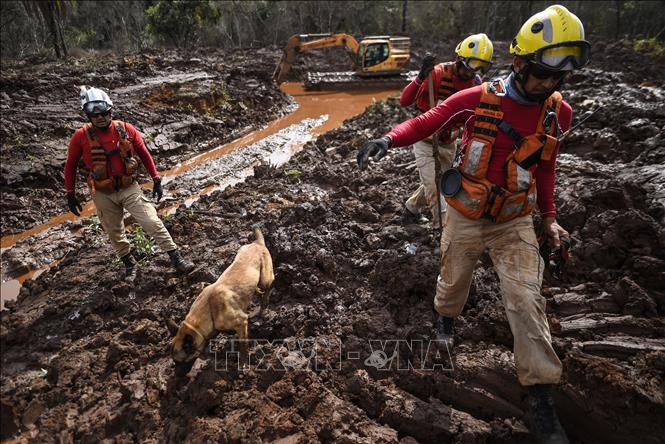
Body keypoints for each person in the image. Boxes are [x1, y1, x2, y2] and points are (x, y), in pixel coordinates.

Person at [357, 5, 590, 443]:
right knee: (452, 284)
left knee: (525, 300)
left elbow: (545, 168)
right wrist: (387, 138)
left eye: (559, 77)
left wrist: (550, 219)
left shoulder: (559, 113)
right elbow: (428, 119)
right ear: (519, 63)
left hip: (515, 220)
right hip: (465, 213)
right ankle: (445, 324)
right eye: (542, 73)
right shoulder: (478, 98)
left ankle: (540, 396)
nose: (550, 84)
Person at [64, 87, 195, 280]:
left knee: (151, 221)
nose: (100, 117)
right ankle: (130, 265)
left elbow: (143, 153)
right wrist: (70, 193)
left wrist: (156, 178)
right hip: (103, 192)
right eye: (94, 115)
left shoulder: (126, 129)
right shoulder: (80, 136)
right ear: (88, 115)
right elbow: (71, 165)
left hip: (128, 187)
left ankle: (176, 258)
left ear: (110, 111)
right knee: (114, 232)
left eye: (104, 113)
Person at [400, 34, 493, 228]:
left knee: (438, 180)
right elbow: (404, 101)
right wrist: (420, 78)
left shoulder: (475, 86)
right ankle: (440, 228)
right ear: (460, 59)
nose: (475, 72)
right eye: (473, 65)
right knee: (435, 187)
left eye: (482, 67)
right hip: (424, 139)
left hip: (449, 142)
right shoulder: (438, 74)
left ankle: (411, 207)